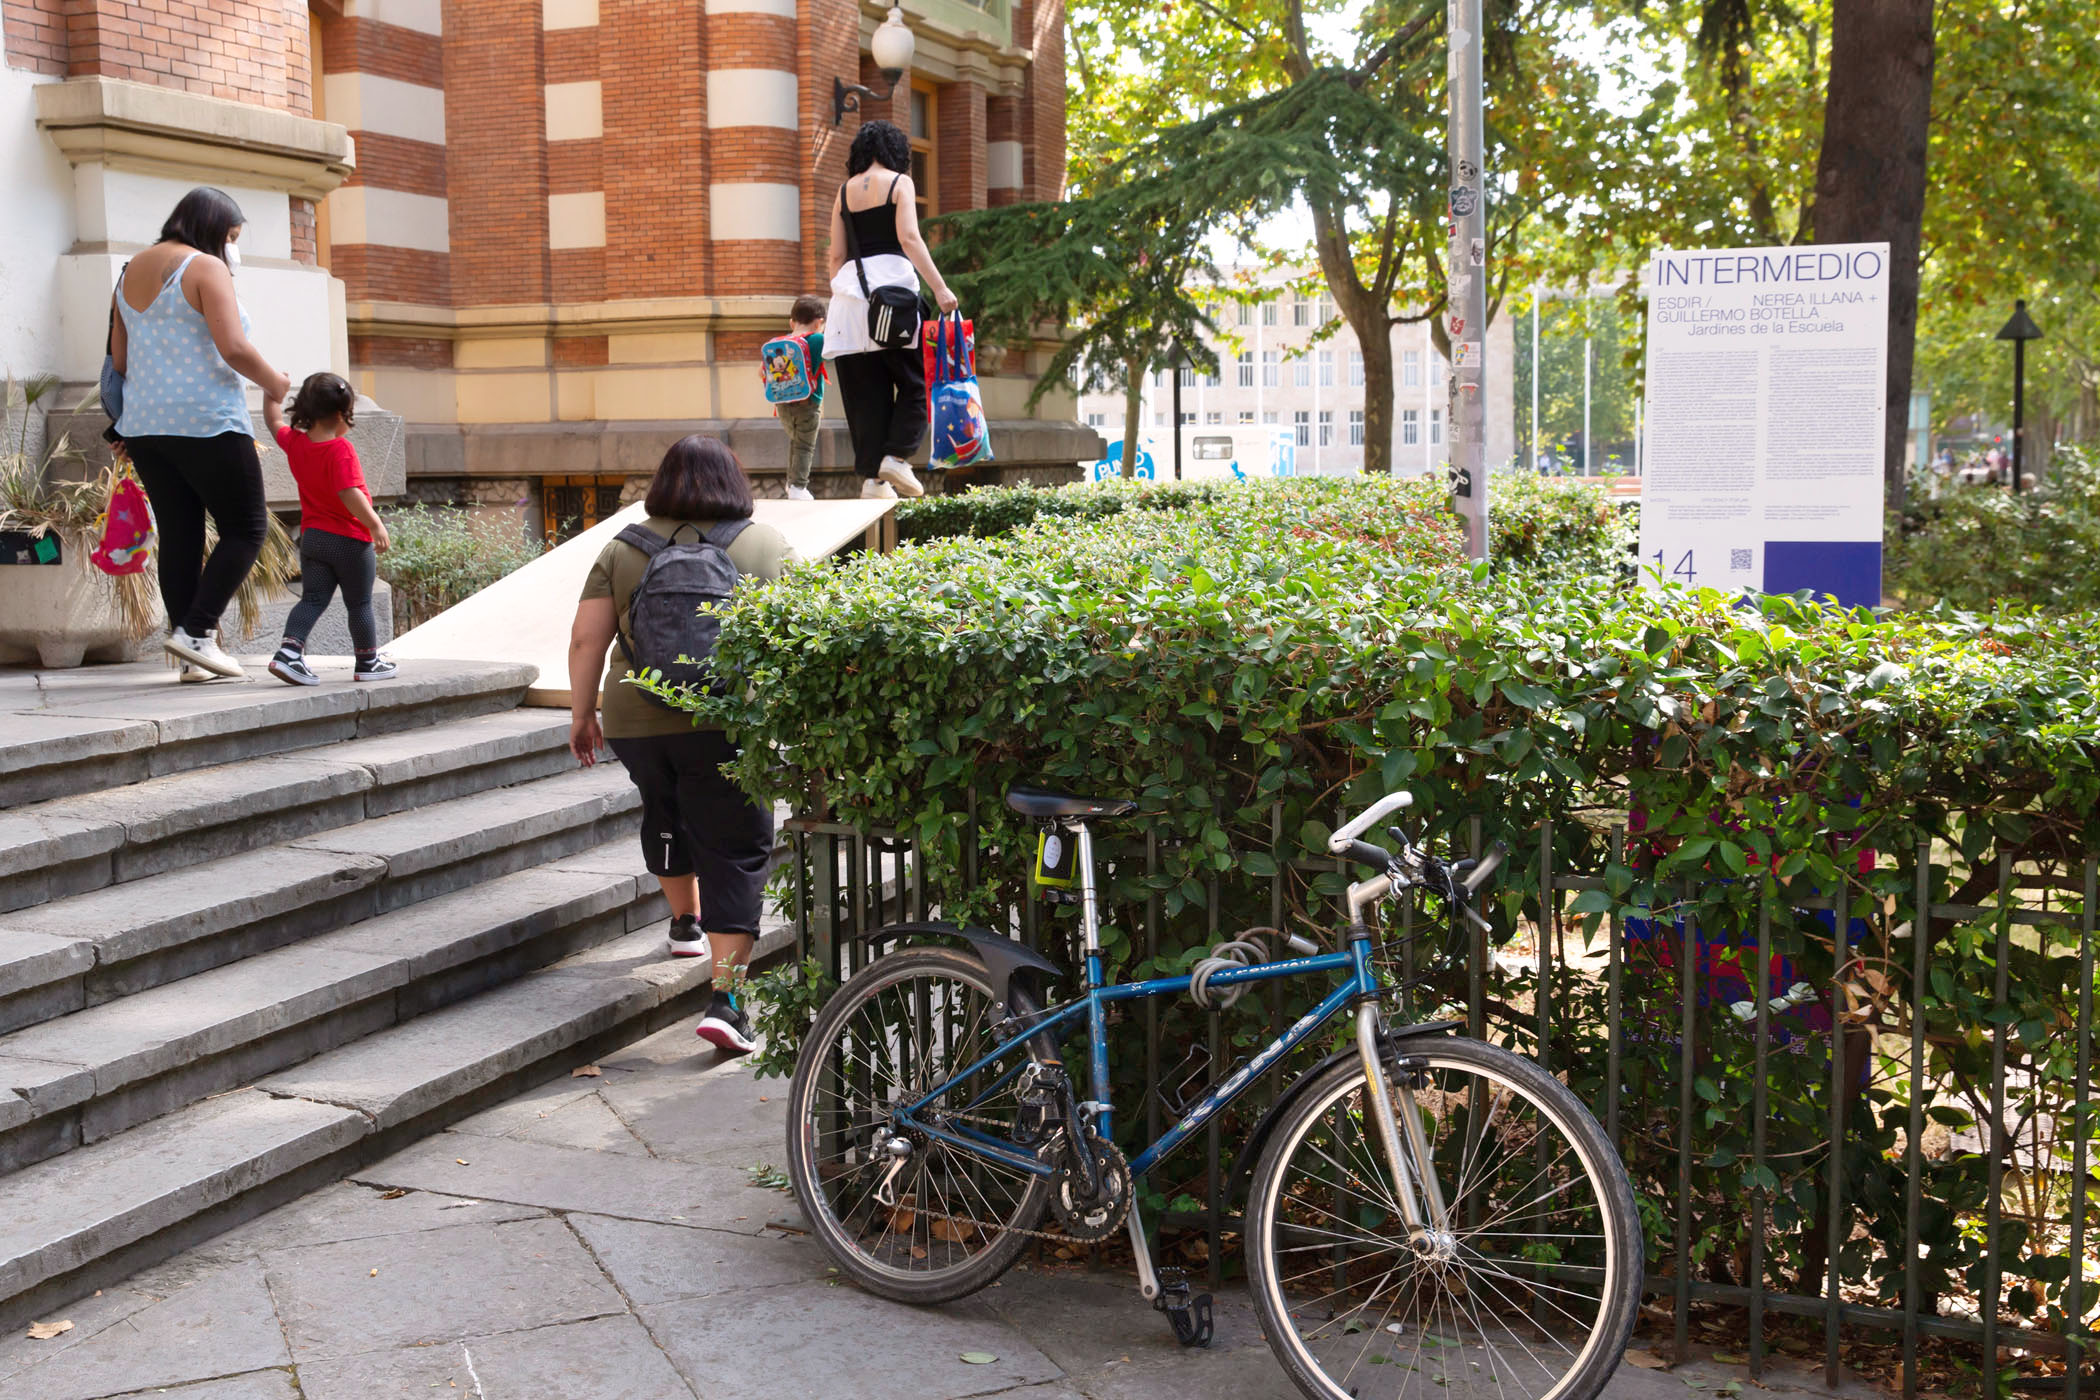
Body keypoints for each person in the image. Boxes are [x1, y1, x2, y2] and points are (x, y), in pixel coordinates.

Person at [565, 435, 794, 1053]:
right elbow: (803, 632)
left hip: (635, 718)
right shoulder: (764, 544)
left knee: (664, 809)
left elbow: (587, 640)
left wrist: (582, 713)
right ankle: (727, 1002)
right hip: (726, 720)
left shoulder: (623, 547)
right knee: (736, 847)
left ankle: (686, 924)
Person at [109, 186, 291, 680]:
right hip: (207, 421)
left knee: (181, 533)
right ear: (213, 229)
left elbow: (120, 361)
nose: (233, 248)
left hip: (145, 426)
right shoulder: (205, 267)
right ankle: (197, 632)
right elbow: (233, 347)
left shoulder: (129, 272)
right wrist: (276, 383)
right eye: (232, 236)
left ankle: (192, 654)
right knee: (246, 528)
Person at [823, 119, 959, 501]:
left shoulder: (843, 192)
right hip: (894, 299)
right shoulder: (900, 183)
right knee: (917, 380)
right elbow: (909, 238)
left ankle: (874, 480)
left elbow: (835, 255)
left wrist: (843, 294)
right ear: (895, 151)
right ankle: (897, 456)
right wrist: (940, 288)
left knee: (865, 395)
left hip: (850, 303)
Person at [262, 372, 396, 685]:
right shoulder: (340, 450)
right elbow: (349, 492)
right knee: (359, 603)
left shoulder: (296, 443)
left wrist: (272, 390)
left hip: (314, 539)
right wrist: (375, 524)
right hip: (350, 541)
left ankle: (289, 653)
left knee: (312, 599)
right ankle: (367, 661)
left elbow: (273, 421)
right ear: (341, 414)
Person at [776, 294, 827, 502]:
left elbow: (762, 372)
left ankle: (791, 483)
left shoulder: (780, 343)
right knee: (805, 446)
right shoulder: (817, 339)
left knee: (796, 442)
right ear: (819, 323)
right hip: (808, 403)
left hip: (782, 404)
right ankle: (798, 486)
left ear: (792, 322)